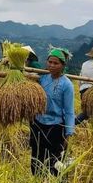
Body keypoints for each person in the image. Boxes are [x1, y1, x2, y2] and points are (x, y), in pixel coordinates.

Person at [30, 47, 75, 176]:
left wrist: (69, 132)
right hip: (38, 125)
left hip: (55, 128)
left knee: (54, 163)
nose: (52, 65)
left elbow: (69, 111)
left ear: (63, 65)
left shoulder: (67, 85)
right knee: (36, 159)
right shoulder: (42, 78)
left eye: (56, 63)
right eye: (50, 62)